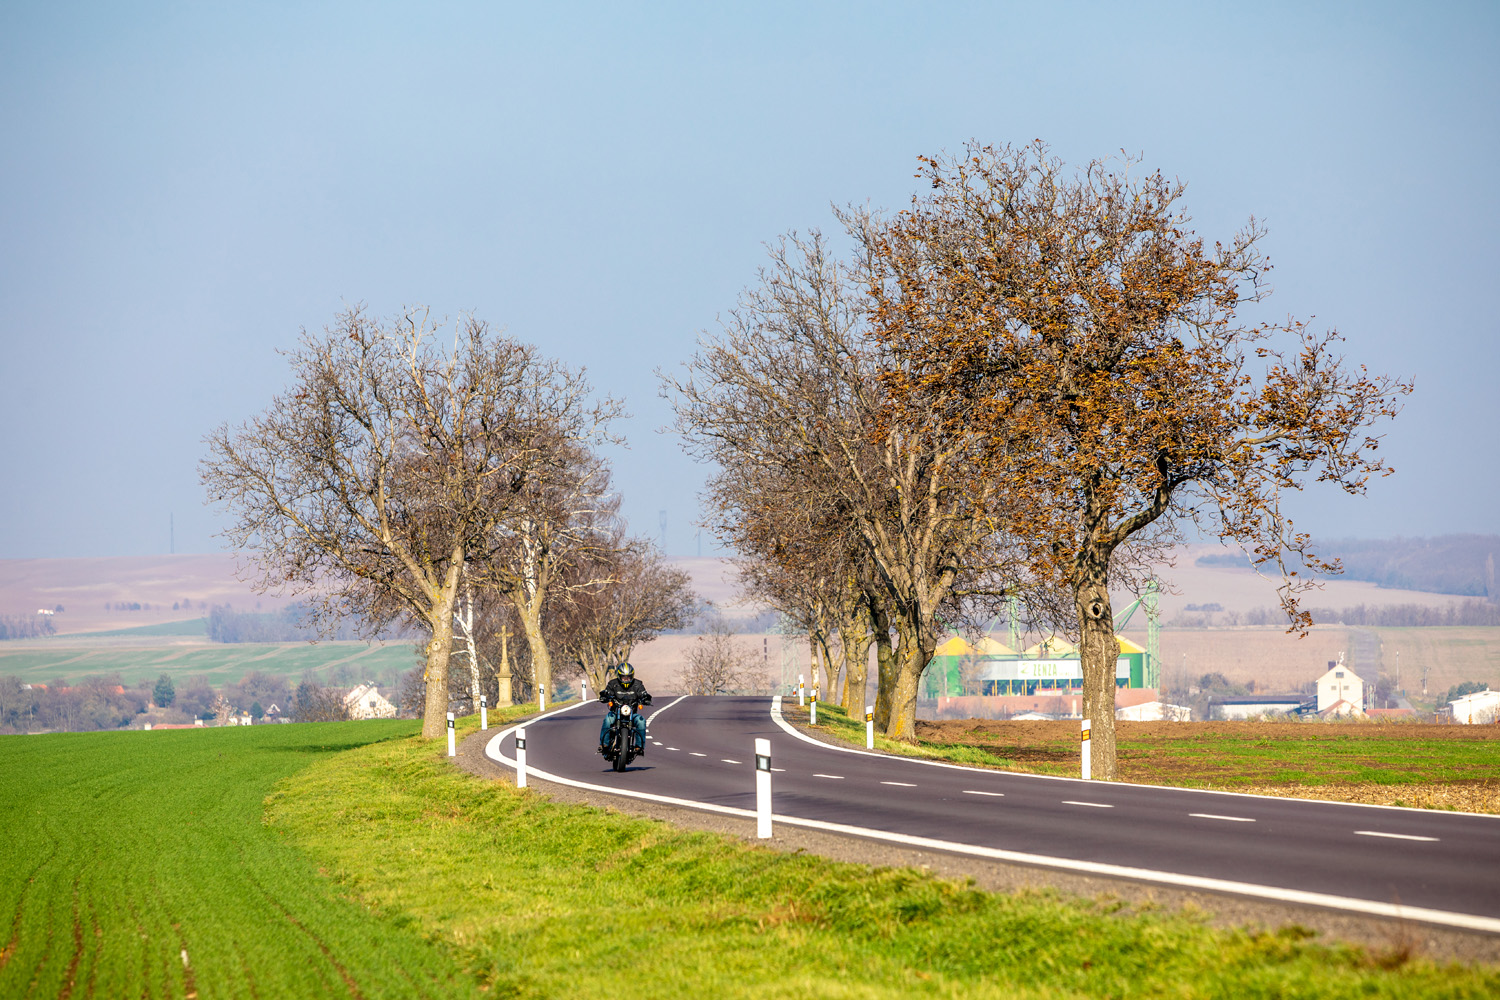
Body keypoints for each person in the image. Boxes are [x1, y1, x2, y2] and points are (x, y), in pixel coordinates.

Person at [598, 662, 652, 756]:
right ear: (619, 676)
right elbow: (607, 692)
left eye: (629, 677)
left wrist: (646, 697)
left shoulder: (637, 684)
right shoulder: (613, 683)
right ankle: (604, 745)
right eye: (624, 677)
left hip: (632, 714)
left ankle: (639, 747)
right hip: (615, 713)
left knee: (641, 721)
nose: (626, 679)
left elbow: (643, 692)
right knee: (608, 719)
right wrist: (605, 695)